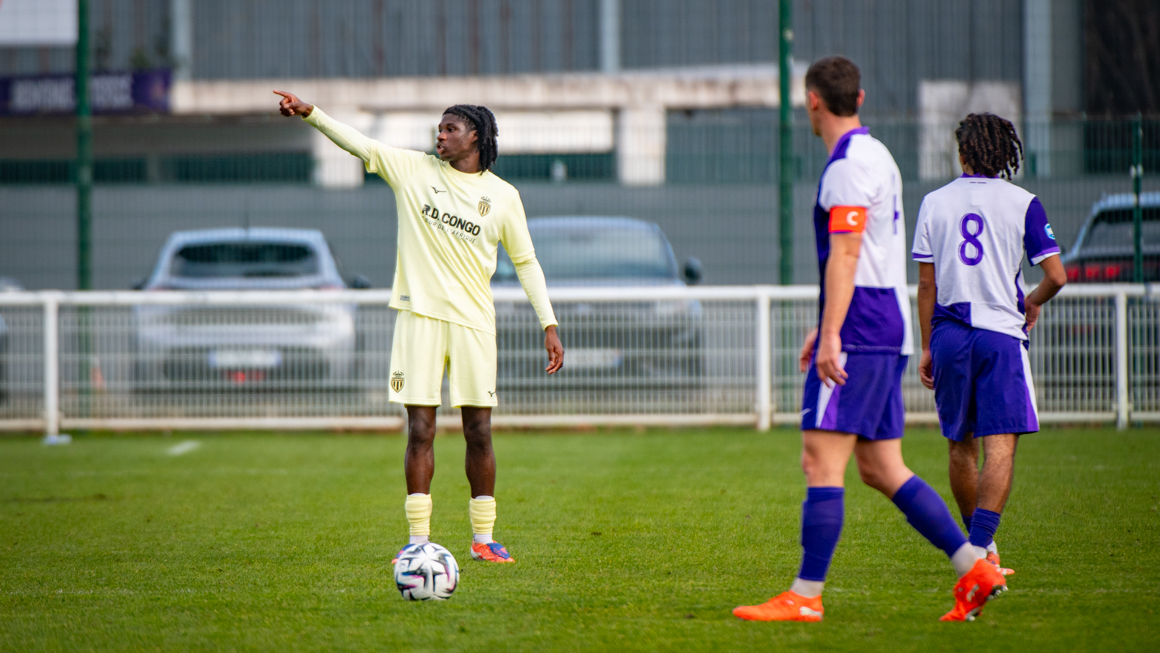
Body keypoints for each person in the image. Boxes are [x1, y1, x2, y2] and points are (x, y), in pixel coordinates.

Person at [732, 56, 1006, 624]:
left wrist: (833, 330)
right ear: (857, 99)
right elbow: (866, 256)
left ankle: (805, 596)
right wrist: (826, 322)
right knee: (882, 468)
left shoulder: (848, 167)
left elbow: (848, 253)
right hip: (883, 318)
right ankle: (975, 569)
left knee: (819, 460)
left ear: (812, 101)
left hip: (861, 325)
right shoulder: (875, 153)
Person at [274, 90, 564, 564]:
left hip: (474, 323)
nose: (441, 134)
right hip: (419, 318)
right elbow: (360, 144)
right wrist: (312, 114)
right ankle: (417, 542)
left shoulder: (504, 196)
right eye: (439, 127)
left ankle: (484, 539)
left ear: (477, 137)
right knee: (421, 430)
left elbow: (526, 261)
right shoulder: (414, 171)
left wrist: (548, 323)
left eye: (451, 128)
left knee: (480, 432)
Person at [913, 112, 1066, 577]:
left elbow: (926, 286)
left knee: (961, 447)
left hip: (950, 335)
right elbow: (1056, 276)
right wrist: (1031, 302)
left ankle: (982, 550)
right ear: (1004, 155)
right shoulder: (1024, 202)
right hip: (1001, 335)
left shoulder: (934, 202)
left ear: (962, 152)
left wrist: (926, 347)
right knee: (1000, 447)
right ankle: (981, 553)